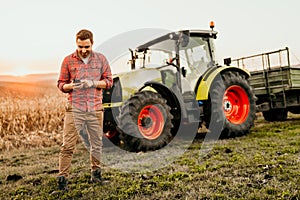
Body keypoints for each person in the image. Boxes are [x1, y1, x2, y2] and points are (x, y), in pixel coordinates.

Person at [55, 29, 113, 191]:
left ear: (92, 43)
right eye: (80, 46)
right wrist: (71, 86)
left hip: (95, 109)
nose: (83, 50)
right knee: (67, 146)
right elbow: (61, 84)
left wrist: (93, 83)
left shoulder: (101, 59)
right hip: (75, 109)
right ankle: (62, 182)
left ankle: (96, 176)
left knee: (96, 144)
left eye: (86, 46)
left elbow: (109, 82)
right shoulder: (68, 60)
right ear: (76, 44)